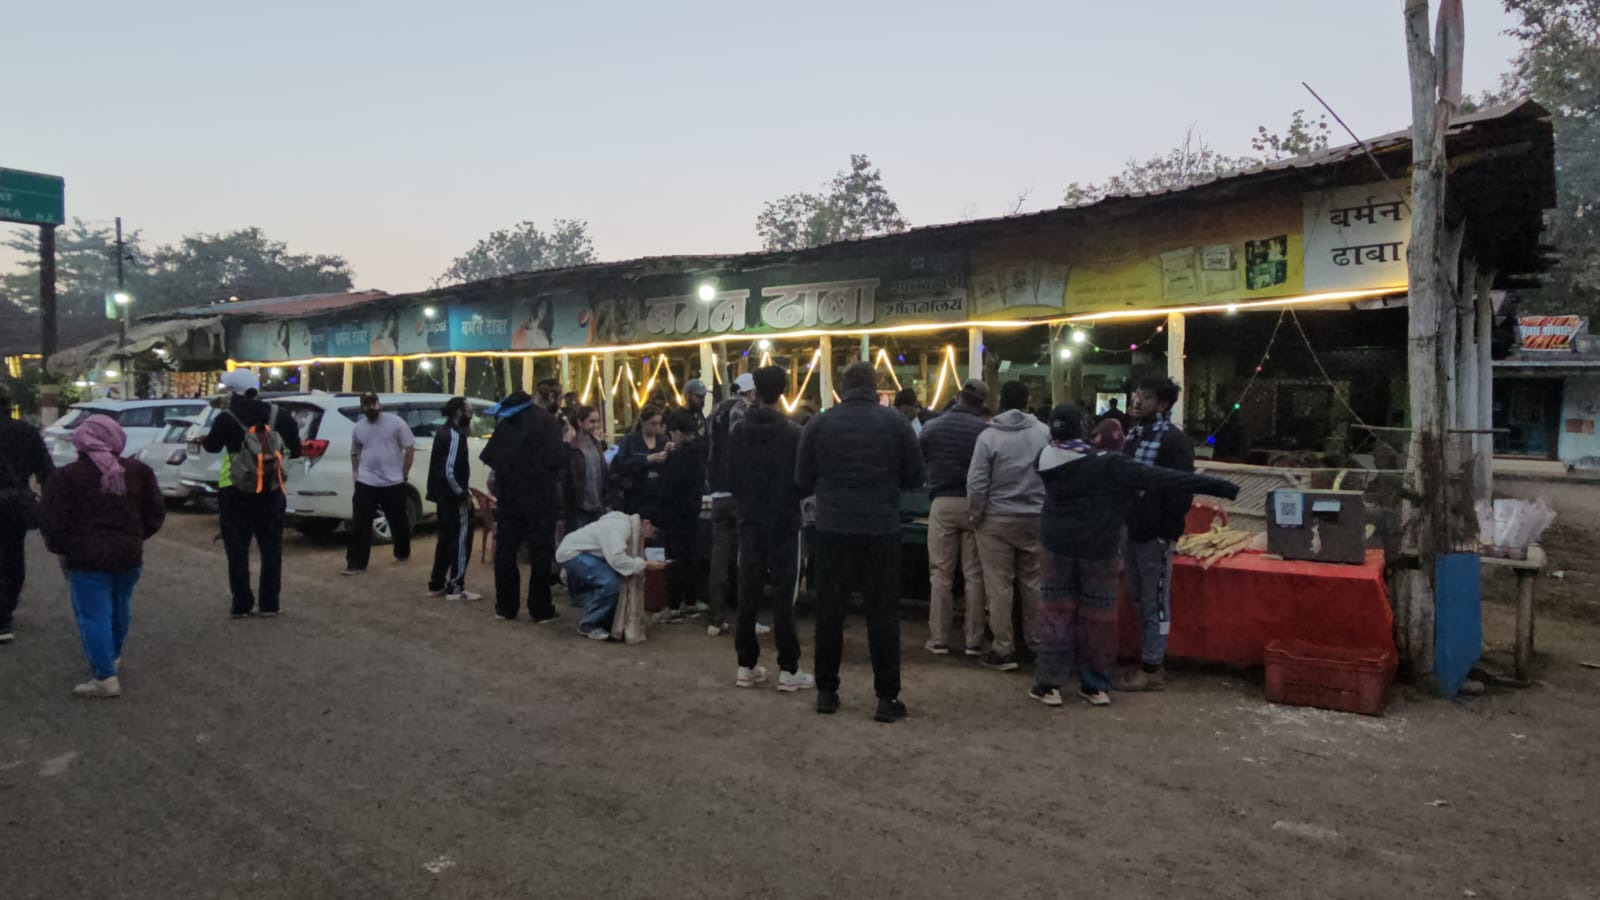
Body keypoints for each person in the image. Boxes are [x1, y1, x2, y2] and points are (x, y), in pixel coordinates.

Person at [1032, 404, 1237, 708]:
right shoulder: (1110, 465)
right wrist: (1219, 486)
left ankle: (1049, 685)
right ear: (1084, 430)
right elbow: (1164, 478)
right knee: (1098, 617)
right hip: (1099, 550)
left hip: (1056, 547)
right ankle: (1095, 686)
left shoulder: (1043, 459)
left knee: (1056, 614)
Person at [797, 361, 925, 723]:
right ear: (875, 387)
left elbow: (802, 477)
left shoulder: (820, 423)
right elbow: (916, 476)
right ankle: (886, 697)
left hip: (832, 527)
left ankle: (826, 691)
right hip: (880, 528)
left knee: (829, 612)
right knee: (882, 615)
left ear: (842, 386)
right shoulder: (896, 423)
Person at [39, 416, 166, 698]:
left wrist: (64, 548)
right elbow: (155, 513)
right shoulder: (139, 471)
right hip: (128, 553)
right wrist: (135, 536)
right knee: (120, 606)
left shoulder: (66, 476)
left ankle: (104, 676)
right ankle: (112, 657)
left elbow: (51, 520)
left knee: (93, 615)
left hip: (85, 557)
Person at [728, 366, 814, 692]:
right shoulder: (794, 433)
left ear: (756, 391)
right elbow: (804, 480)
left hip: (749, 519)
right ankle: (788, 668)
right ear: (782, 392)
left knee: (748, 591)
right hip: (784, 521)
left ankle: (746, 665)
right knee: (784, 595)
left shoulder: (738, 431)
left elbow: (729, 476)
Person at [202, 369, 302, 618]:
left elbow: (212, 447)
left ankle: (242, 604)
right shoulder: (280, 414)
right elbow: (296, 449)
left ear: (233, 392)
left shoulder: (226, 418)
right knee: (271, 549)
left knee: (237, 550)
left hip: (234, 489)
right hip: (272, 489)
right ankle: (270, 603)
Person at [966, 381, 1049, 672]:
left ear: (1001, 401)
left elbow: (977, 483)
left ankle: (1004, 649)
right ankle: (1036, 645)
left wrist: (975, 515)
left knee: (999, 586)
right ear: (1028, 400)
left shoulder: (988, 436)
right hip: (1036, 516)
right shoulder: (1043, 433)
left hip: (996, 518)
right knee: (1033, 583)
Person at [1120, 375, 1196, 691]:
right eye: (1137, 394)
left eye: (1147, 397)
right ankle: (1148, 658)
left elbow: (1182, 491)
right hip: (1131, 530)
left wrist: (1166, 531)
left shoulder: (1174, 442)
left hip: (1156, 535)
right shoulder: (1135, 435)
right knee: (1140, 598)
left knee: (1156, 602)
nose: (1137, 401)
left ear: (1163, 404)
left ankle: (1153, 667)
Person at [918, 378, 989, 659]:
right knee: (974, 574)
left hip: (942, 501)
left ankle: (939, 639)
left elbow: (920, 461)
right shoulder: (984, 431)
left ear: (958, 396)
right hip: (974, 504)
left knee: (940, 573)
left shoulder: (932, 427)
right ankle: (973, 640)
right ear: (981, 404)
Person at [481, 390, 566, 623]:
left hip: (510, 500)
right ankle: (540, 609)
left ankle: (505, 607)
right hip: (540, 499)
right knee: (540, 554)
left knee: (506, 552)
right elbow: (558, 459)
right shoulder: (546, 422)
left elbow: (493, 460)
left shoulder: (506, 425)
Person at [556, 511, 667, 640]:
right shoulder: (620, 526)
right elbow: (617, 558)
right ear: (647, 524)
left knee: (615, 583)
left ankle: (604, 619)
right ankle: (589, 624)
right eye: (654, 532)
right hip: (574, 552)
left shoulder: (623, 526)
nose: (653, 537)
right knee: (611, 584)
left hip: (585, 552)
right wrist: (645, 564)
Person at [703, 372, 755, 636]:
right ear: (750, 391)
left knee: (719, 557)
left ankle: (716, 618)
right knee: (747, 557)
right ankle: (748, 617)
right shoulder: (746, 412)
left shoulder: (715, 411)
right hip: (740, 492)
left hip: (717, 492)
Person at [0, 383, 53, 643]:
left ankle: (2, 618)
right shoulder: (26, 432)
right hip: (15, 504)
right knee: (13, 555)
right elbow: (45, 471)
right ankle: (7, 609)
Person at [343, 392, 416, 575]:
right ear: (362, 407)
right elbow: (355, 451)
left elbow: (409, 448)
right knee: (360, 522)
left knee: (398, 519)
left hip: (393, 481)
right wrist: (356, 472)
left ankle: (402, 552)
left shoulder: (396, 423)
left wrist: (404, 473)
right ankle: (356, 562)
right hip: (366, 481)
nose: (370, 407)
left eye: (373, 403)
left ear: (379, 404)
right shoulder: (359, 427)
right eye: (366, 404)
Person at [654, 408, 705, 620]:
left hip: (674, 514)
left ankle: (674, 605)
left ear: (679, 432)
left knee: (674, 558)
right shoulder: (700, 452)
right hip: (692, 512)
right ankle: (691, 600)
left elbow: (669, 488)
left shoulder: (679, 457)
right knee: (690, 556)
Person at [427, 397, 477, 601]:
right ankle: (456, 586)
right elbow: (448, 470)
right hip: (454, 498)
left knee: (445, 539)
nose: (471, 414)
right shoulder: (454, 436)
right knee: (461, 540)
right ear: (459, 412)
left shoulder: (444, 432)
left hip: (443, 497)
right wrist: (462, 493)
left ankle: (437, 583)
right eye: (469, 410)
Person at [612, 406, 669, 516]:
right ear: (642, 422)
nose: (657, 427)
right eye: (653, 424)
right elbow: (621, 463)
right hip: (635, 494)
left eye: (659, 424)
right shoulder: (630, 440)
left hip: (658, 494)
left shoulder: (663, 440)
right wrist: (646, 459)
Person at [566, 405, 609, 531]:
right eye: (592, 421)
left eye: (597, 421)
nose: (596, 425)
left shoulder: (597, 443)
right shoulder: (572, 446)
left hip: (597, 503)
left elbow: (603, 472)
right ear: (580, 422)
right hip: (580, 506)